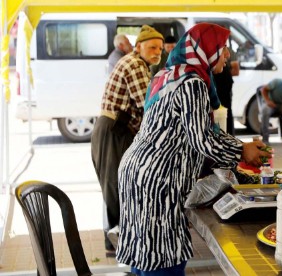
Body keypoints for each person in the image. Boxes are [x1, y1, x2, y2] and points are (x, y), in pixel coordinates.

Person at [116, 24, 267, 275]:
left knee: (145, 255)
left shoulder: (166, 75)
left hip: (136, 171)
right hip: (158, 178)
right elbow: (203, 140)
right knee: (163, 259)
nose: (228, 54)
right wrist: (242, 151)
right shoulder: (192, 83)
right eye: (223, 48)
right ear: (205, 50)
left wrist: (239, 147)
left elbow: (190, 130)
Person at [91, 25, 164, 255]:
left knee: (116, 185)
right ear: (138, 46)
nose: (157, 52)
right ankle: (119, 245)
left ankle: (120, 243)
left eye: (160, 48)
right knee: (117, 186)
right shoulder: (134, 64)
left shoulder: (137, 63)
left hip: (114, 129)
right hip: (113, 130)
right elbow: (148, 105)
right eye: (152, 47)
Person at [213, 47, 240, 135]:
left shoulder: (229, 51)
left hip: (224, 82)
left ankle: (227, 136)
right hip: (219, 81)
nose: (228, 55)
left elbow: (236, 71)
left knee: (224, 112)